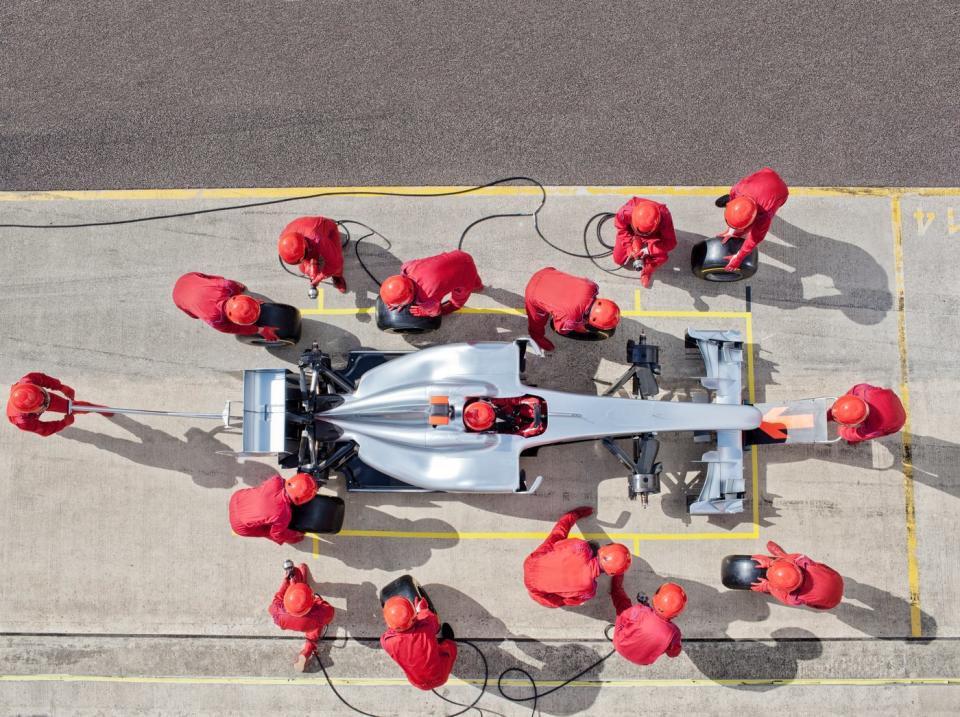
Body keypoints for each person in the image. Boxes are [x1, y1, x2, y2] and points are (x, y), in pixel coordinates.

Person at [523, 506, 632, 607]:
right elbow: (567, 601)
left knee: (553, 544)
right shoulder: (589, 591)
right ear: (610, 573)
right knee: (557, 602)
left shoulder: (580, 546)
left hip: (531, 563)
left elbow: (558, 534)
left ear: (605, 548)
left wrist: (575, 514)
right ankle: (535, 595)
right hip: (535, 589)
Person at [523, 268, 620, 351]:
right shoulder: (572, 319)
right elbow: (558, 328)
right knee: (537, 322)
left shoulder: (593, 287)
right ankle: (536, 337)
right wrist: (579, 326)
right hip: (533, 292)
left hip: (547, 272)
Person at [715, 167, 789, 272]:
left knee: (756, 226)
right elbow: (734, 203)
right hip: (766, 174)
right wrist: (731, 231)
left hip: (780, 191)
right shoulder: (737, 189)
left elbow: (755, 239)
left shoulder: (765, 215)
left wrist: (738, 258)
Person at [380, 595, 457, 690]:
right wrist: (422, 609)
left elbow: (387, 634)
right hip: (440, 677)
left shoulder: (387, 642)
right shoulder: (427, 624)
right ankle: (449, 640)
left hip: (418, 682)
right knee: (449, 649)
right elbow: (435, 625)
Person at [172, 272, 279, 340]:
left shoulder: (228, 285)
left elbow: (234, 286)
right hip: (179, 300)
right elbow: (236, 328)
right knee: (195, 315)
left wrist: (248, 301)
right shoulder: (216, 321)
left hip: (190, 277)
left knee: (239, 287)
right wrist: (261, 330)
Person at [268, 562, 335, 671]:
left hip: (288, 622)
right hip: (308, 623)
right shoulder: (317, 614)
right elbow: (330, 612)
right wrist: (317, 601)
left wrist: (287, 581)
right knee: (314, 631)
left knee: (295, 575)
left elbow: (276, 600)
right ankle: (307, 651)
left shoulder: (278, 612)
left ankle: (298, 580)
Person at [379, 250, 483, 317]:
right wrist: (398, 298)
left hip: (464, 276)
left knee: (457, 303)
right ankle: (478, 286)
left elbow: (435, 312)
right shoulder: (408, 267)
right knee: (474, 278)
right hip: (460, 256)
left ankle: (477, 286)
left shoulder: (427, 300)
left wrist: (424, 312)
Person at [6, 373, 111, 437]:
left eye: (46, 397)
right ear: (32, 412)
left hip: (35, 399)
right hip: (28, 415)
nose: (48, 401)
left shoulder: (29, 380)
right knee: (47, 425)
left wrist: (61, 387)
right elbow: (44, 429)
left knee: (73, 406)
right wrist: (63, 423)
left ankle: (97, 409)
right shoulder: (24, 422)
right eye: (45, 405)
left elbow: (45, 379)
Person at [610, 576, 684, 665]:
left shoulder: (639, 610)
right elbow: (673, 654)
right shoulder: (674, 633)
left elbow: (622, 616)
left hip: (619, 645)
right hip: (642, 661)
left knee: (622, 604)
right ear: (676, 614)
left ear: (654, 599)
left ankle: (616, 586)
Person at [750, 540, 844, 610]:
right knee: (820, 567)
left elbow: (782, 597)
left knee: (810, 602)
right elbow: (790, 559)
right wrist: (770, 563)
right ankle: (781, 555)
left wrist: (767, 587)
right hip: (836, 579)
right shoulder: (800, 559)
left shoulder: (794, 598)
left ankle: (781, 556)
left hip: (831, 603)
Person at [228, 473, 317, 545]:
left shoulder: (277, 480)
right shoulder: (284, 515)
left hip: (237, 497)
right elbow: (277, 534)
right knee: (268, 531)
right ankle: (295, 540)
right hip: (240, 526)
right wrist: (297, 533)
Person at [613, 198, 677, 288]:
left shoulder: (665, 217)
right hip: (632, 232)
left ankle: (646, 272)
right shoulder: (625, 212)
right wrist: (628, 245)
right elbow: (621, 228)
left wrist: (649, 250)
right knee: (618, 259)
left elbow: (671, 242)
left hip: (652, 236)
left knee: (661, 257)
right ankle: (636, 237)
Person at [277, 216, 347, 292]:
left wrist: (319, 278)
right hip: (308, 235)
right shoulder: (284, 239)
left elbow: (335, 264)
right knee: (303, 269)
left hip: (328, 229)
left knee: (338, 264)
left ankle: (337, 277)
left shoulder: (317, 240)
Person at [828, 384, 906, 444]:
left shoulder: (874, 427)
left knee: (863, 436)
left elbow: (857, 435)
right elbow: (847, 398)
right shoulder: (862, 390)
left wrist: (842, 431)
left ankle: (855, 442)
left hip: (896, 422)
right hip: (890, 401)